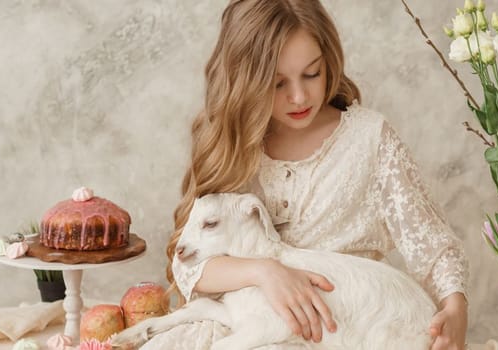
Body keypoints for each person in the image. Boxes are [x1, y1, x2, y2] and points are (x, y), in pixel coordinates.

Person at [150, 1, 470, 349]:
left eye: (311, 74)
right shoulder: (236, 146)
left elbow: (432, 247)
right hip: (247, 328)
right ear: (245, 81)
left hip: (345, 330)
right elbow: (190, 267)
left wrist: (455, 309)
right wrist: (265, 272)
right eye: (277, 84)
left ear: (328, 62)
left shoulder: (369, 138)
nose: (299, 96)